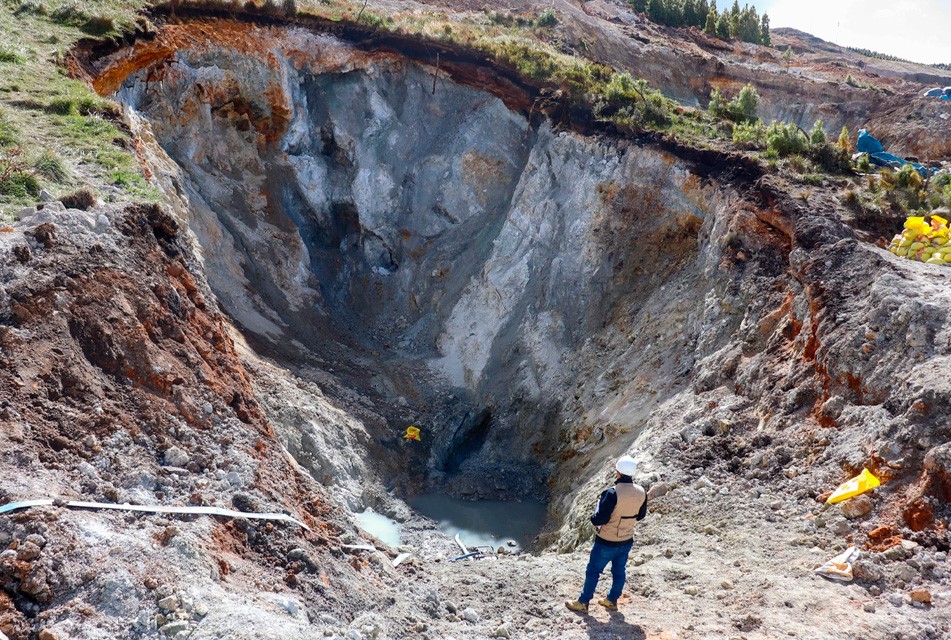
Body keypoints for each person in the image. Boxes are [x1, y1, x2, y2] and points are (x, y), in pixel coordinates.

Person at [565, 455, 647, 613]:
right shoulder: (641, 492)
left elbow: (600, 518)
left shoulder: (612, 493)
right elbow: (641, 515)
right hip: (627, 540)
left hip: (607, 541)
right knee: (619, 570)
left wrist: (594, 519)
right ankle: (612, 600)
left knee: (593, 571)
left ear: (618, 472)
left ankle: (583, 602)